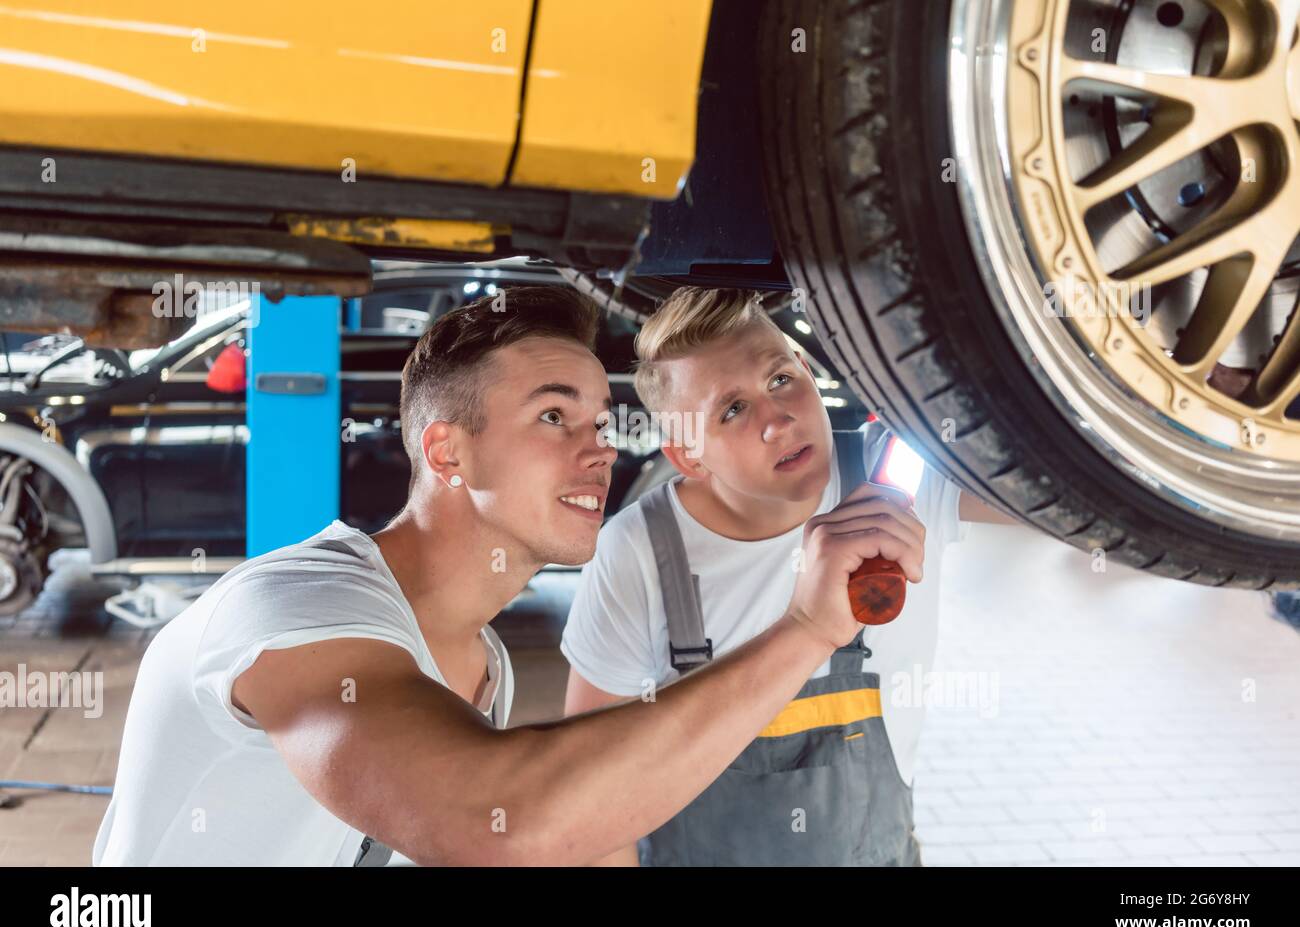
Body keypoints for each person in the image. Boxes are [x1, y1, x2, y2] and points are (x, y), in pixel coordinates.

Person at [92, 285, 921, 866]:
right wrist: (807, 629)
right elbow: (501, 825)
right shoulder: (303, 607)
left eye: (600, 420)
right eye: (554, 416)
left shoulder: (475, 663)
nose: (599, 446)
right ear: (448, 451)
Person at [563, 287, 1014, 865]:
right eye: (732, 410)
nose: (777, 419)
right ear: (687, 457)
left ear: (805, 368)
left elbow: (1067, 496)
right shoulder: (637, 551)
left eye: (780, 380)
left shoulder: (900, 476)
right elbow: (592, 791)